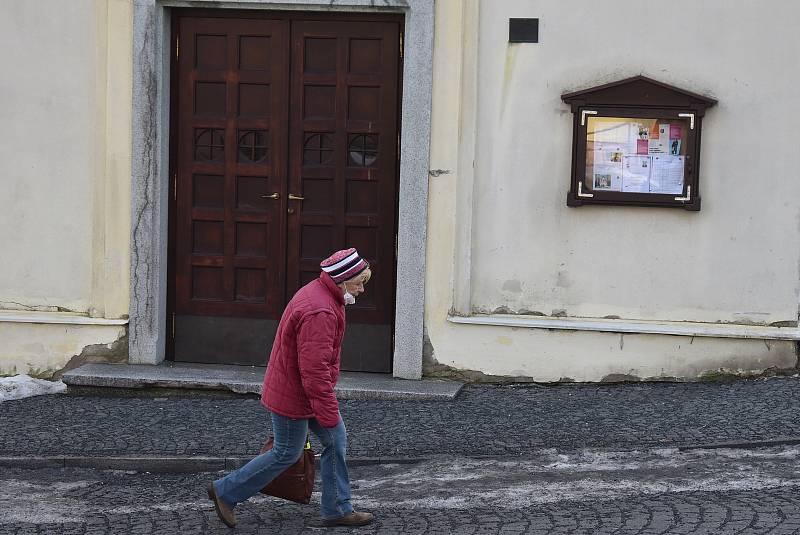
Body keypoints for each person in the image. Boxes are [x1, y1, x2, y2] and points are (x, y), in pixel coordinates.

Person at [207, 248, 374, 529]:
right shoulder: (321, 310)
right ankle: (225, 490)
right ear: (342, 280)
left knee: (335, 441)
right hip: (296, 395)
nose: (361, 289)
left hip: (301, 391)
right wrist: (329, 412)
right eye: (358, 282)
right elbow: (314, 372)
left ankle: (337, 509)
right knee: (287, 452)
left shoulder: (321, 293)